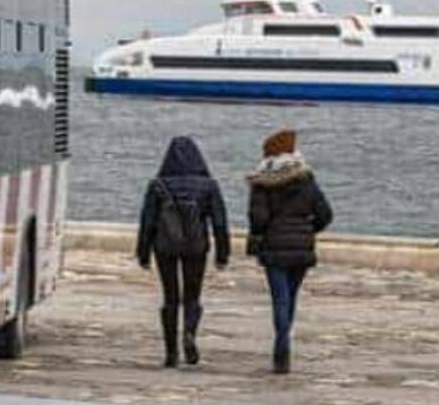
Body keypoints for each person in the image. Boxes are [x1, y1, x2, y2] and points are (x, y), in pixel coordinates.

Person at [136, 136, 230, 368]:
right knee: (193, 295)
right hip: (196, 246)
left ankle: (171, 353)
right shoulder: (208, 186)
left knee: (170, 298)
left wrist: (143, 253)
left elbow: (147, 221)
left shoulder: (158, 185)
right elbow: (219, 222)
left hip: (165, 246)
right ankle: (189, 332)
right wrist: (222, 254)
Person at [246, 129, 333, 374]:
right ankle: (285, 339)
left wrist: (261, 233)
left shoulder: (263, 182)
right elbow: (325, 214)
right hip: (302, 248)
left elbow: (258, 218)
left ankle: (281, 344)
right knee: (291, 297)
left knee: (279, 298)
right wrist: (308, 230)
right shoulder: (307, 180)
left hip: (274, 246)